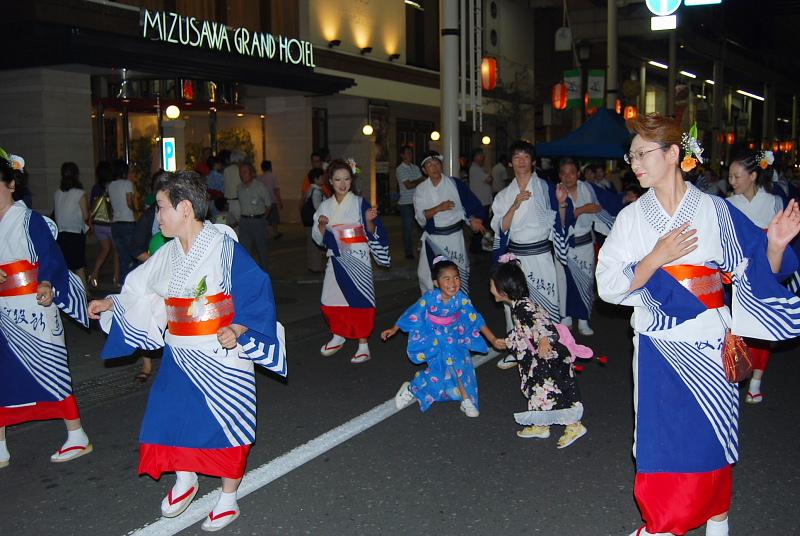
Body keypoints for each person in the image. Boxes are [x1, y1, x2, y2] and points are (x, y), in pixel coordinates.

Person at [596, 113, 800, 536]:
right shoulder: (632, 218)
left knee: (713, 436)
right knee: (661, 442)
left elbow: (755, 265)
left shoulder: (714, 211)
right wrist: (655, 257)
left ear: (673, 154)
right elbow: (608, 284)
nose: (633, 162)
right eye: (630, 155)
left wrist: (776, 245)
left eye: (641, 153)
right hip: (659, 346)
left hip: (710, 340)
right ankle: (662, 523)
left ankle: (718, 521)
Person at [88, 170, 286, 532]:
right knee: (170, 414)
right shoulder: (168, 252)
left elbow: (256, 289)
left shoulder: (223, 245)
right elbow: (142, 291)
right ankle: (185, 476)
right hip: (180, 352)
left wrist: (239, 327)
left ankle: (228, 497)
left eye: (161, 208)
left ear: (184, 208)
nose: (156, 215)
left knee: (226, 423)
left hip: (221, 352)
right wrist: (112, 303)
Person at [0, 152, 91, 468]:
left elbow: (51, 256)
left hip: (34, 306)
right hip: (4, 311)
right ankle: (0, 445)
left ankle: (76, 434)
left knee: (50, 369)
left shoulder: (30, 220)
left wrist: (47, 283)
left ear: (11, 184)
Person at [381, 258, 502, 417]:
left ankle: (466, 400)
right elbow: (413, 313)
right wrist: (394, 328)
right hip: (434, 337)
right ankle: (411, 388)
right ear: (436, 283)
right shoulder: (430, 299)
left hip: (454, 336)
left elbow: (475, 318)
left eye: (456, 278)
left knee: (462, 367)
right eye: (447, 279)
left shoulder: (461, 299)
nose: (453, 283)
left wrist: (493, 339)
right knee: (439, 371)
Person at [489, 256, 589, 447]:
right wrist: (509, 341)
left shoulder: (523, 307)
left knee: (557, 390)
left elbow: (540, 321)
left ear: (503, 290)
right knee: (539, 392)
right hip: (540, 359)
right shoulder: (519, 305)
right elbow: (524, 333)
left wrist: (543, 339)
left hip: (549, 358)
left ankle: (574, 425)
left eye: (491, 284)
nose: (489, 288)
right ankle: (541, 424)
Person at [490, 140, 571, 369]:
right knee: (513, 305)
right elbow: (501, 229)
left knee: (545, 302)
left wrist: (563, 205)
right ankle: (517, 350)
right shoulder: (505, 195)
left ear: (533, 161)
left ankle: (550, 347)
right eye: (517, 157)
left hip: (542, 255)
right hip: (516, 257)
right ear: (510, 163)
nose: (522, 161)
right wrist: (514, 205)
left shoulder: (546, 188)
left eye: (526, 157)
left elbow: (560, 222)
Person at [313, 159, 390, 364]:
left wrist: (369, 219)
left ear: (352, 180)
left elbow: (373, 232)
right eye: (338, 179)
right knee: (330, 299)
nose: (342, 183)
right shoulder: (325, 205)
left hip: (357, 257)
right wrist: (321, 225)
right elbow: (318, 237)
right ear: (330, 181)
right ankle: (338, 334)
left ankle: (363, 344)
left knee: (359, 300)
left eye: (346, 179)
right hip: (337, 256)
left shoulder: (359, 202)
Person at [727, 150, 784, 405]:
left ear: (753, 176)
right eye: (730, 176)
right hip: (736, 273)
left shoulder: (773, 202)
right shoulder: (729, 203)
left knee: (762, 328)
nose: (732, 181)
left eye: (737, 176)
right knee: (736, 328)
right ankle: (735, 374)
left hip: (764, 272)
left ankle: (757, 381)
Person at [555, 157, 615, 336]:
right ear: (559, 175)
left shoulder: (587, 188)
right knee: (564, 283)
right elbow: (557, 220)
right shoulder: (555, 192)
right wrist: (581, 210)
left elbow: (604, 203)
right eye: (564, 173)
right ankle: (564, 317)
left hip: (585, 243)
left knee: (586, 282)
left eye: (572, 172)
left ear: (578, 174)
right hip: (564, 245)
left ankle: (583, 319)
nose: (568, 177)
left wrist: (625, 198)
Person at [413, 151, 487, 295]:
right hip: (433, 239)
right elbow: (421, 216)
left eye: (436, 164)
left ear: (441, 166)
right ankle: (432, 309)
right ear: (424, 170)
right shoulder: (420, 190)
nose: (433, 167)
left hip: (454, 237)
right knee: (426, 275)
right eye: (429, 165)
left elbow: (469, 205)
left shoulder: (455, 184)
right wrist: (439, 207)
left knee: (458, 274)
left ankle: (459, 308)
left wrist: (473, 219)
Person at [54, 162, 89, 286]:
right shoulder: (79, 193)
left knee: (66, 267)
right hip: (75, 234)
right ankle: (84, 295)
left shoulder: (58, 192)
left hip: (61, 234)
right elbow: (85, 216)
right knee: (79, 267)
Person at [88, 161, 119, 289]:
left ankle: (94, 273)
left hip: (99, 224)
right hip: (111, 223)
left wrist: (90, 223)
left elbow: (92, 207)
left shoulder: (95, 188)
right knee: (116, 251)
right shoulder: (113, 186)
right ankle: (116, 278)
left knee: (104, 250)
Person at [237, 162, 271, 271]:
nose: (242, 175)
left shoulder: (259, 187)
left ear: (251, 173)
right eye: (240, 173)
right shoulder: (239, 188)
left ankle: (264, 272)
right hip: (244, 222)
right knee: (244, 250)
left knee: (262, 249)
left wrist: (262, 219)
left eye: (245, 172)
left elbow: (268, 205)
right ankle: (248, 273)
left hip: (258, 221)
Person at [108, 159, 137, 284]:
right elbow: (130, 202)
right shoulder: (127, 184)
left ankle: (124, 283)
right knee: (133, 254)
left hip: (115, 223)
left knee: (122, 256)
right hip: (128, 222)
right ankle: (132, 283)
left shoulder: (111, 185)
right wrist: (137, 210)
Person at [396, 145, 425, 260]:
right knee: (407, 229)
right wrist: (418, 180)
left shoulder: (415, 167)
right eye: (407, 153)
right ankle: (408, 252)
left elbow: (420, 183)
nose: (410, 155)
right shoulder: (400, 169)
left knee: (421, 227)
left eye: (411, 153)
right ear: (402, 155)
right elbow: (408, 185)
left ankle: (422, 247)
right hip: (406, 203)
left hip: (417, 202)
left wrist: (417, 181)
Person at [468, 148, 493, 254]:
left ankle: (477, 247)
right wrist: (489, 174)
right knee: (481, 225)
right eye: (480, 155)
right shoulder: (475, 169)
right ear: (475, 156)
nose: (483, 156)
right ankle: (478, 248)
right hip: (481, 202)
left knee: (482, 225)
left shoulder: (478, 168)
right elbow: (489, 179)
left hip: (482, 201)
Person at [303, 168, 326, 273]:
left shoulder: (311, 189)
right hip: (313, 222)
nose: (324, 179)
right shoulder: (316, 191)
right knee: (315, 245)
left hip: (308, 222)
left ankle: (312, 266)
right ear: (316, 179)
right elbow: (318, 207)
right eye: (322, 177)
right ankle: (316, 267)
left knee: (312, 245)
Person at [258, 160, 283, 239]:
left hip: (263, 201)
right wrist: (280, 201)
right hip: (272, 200)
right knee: (274, 218)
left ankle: (264, 232)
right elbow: (276, 190)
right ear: (269, 167)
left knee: (265, 217)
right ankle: (275, 233)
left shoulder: (259, 177)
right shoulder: (273, 176)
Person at [223, 150, 244, 224]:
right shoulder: (240, 170)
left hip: (227, 202)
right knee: (239, 224)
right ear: (239, 160)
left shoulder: (225, 170)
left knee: (229, 224)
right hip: (238, 202)